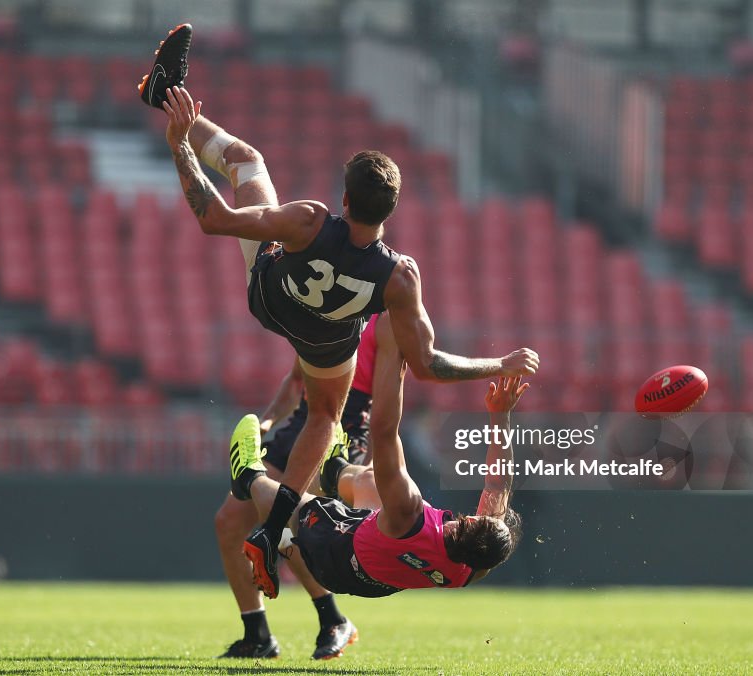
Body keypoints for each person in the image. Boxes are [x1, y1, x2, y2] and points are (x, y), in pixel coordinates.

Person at [142, 25, 539, 599]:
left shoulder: (309, 220)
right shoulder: (399, 277)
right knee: (326, 420)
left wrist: (180, 143)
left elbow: (213, 218)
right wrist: (492, 364)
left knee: (247, 163)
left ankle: (168, 102)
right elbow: (429, 366)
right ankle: (277, 527)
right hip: (326, 343)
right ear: (392, 210)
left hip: (272, 300)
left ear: (346, 198)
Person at [227, 330, 528, 597]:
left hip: (334, 555)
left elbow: (384, 433)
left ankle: (249, 476)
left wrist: (395, 359)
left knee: (294, 503)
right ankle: (337, 470)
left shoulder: (408, 512)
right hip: (376, 580)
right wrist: (499, 415)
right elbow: (498, 483)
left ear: (473, 521)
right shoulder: (475, 568)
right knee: (371, 481)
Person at [214, 313, 383, 660]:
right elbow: (295, 382)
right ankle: (257, 633)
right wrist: (267, 421)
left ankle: (332, 619)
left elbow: (396, 391)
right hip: (301, 424)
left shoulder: (388, 320)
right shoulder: (325, 310)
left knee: (294, 526)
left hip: (341, 430)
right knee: (229, 522)